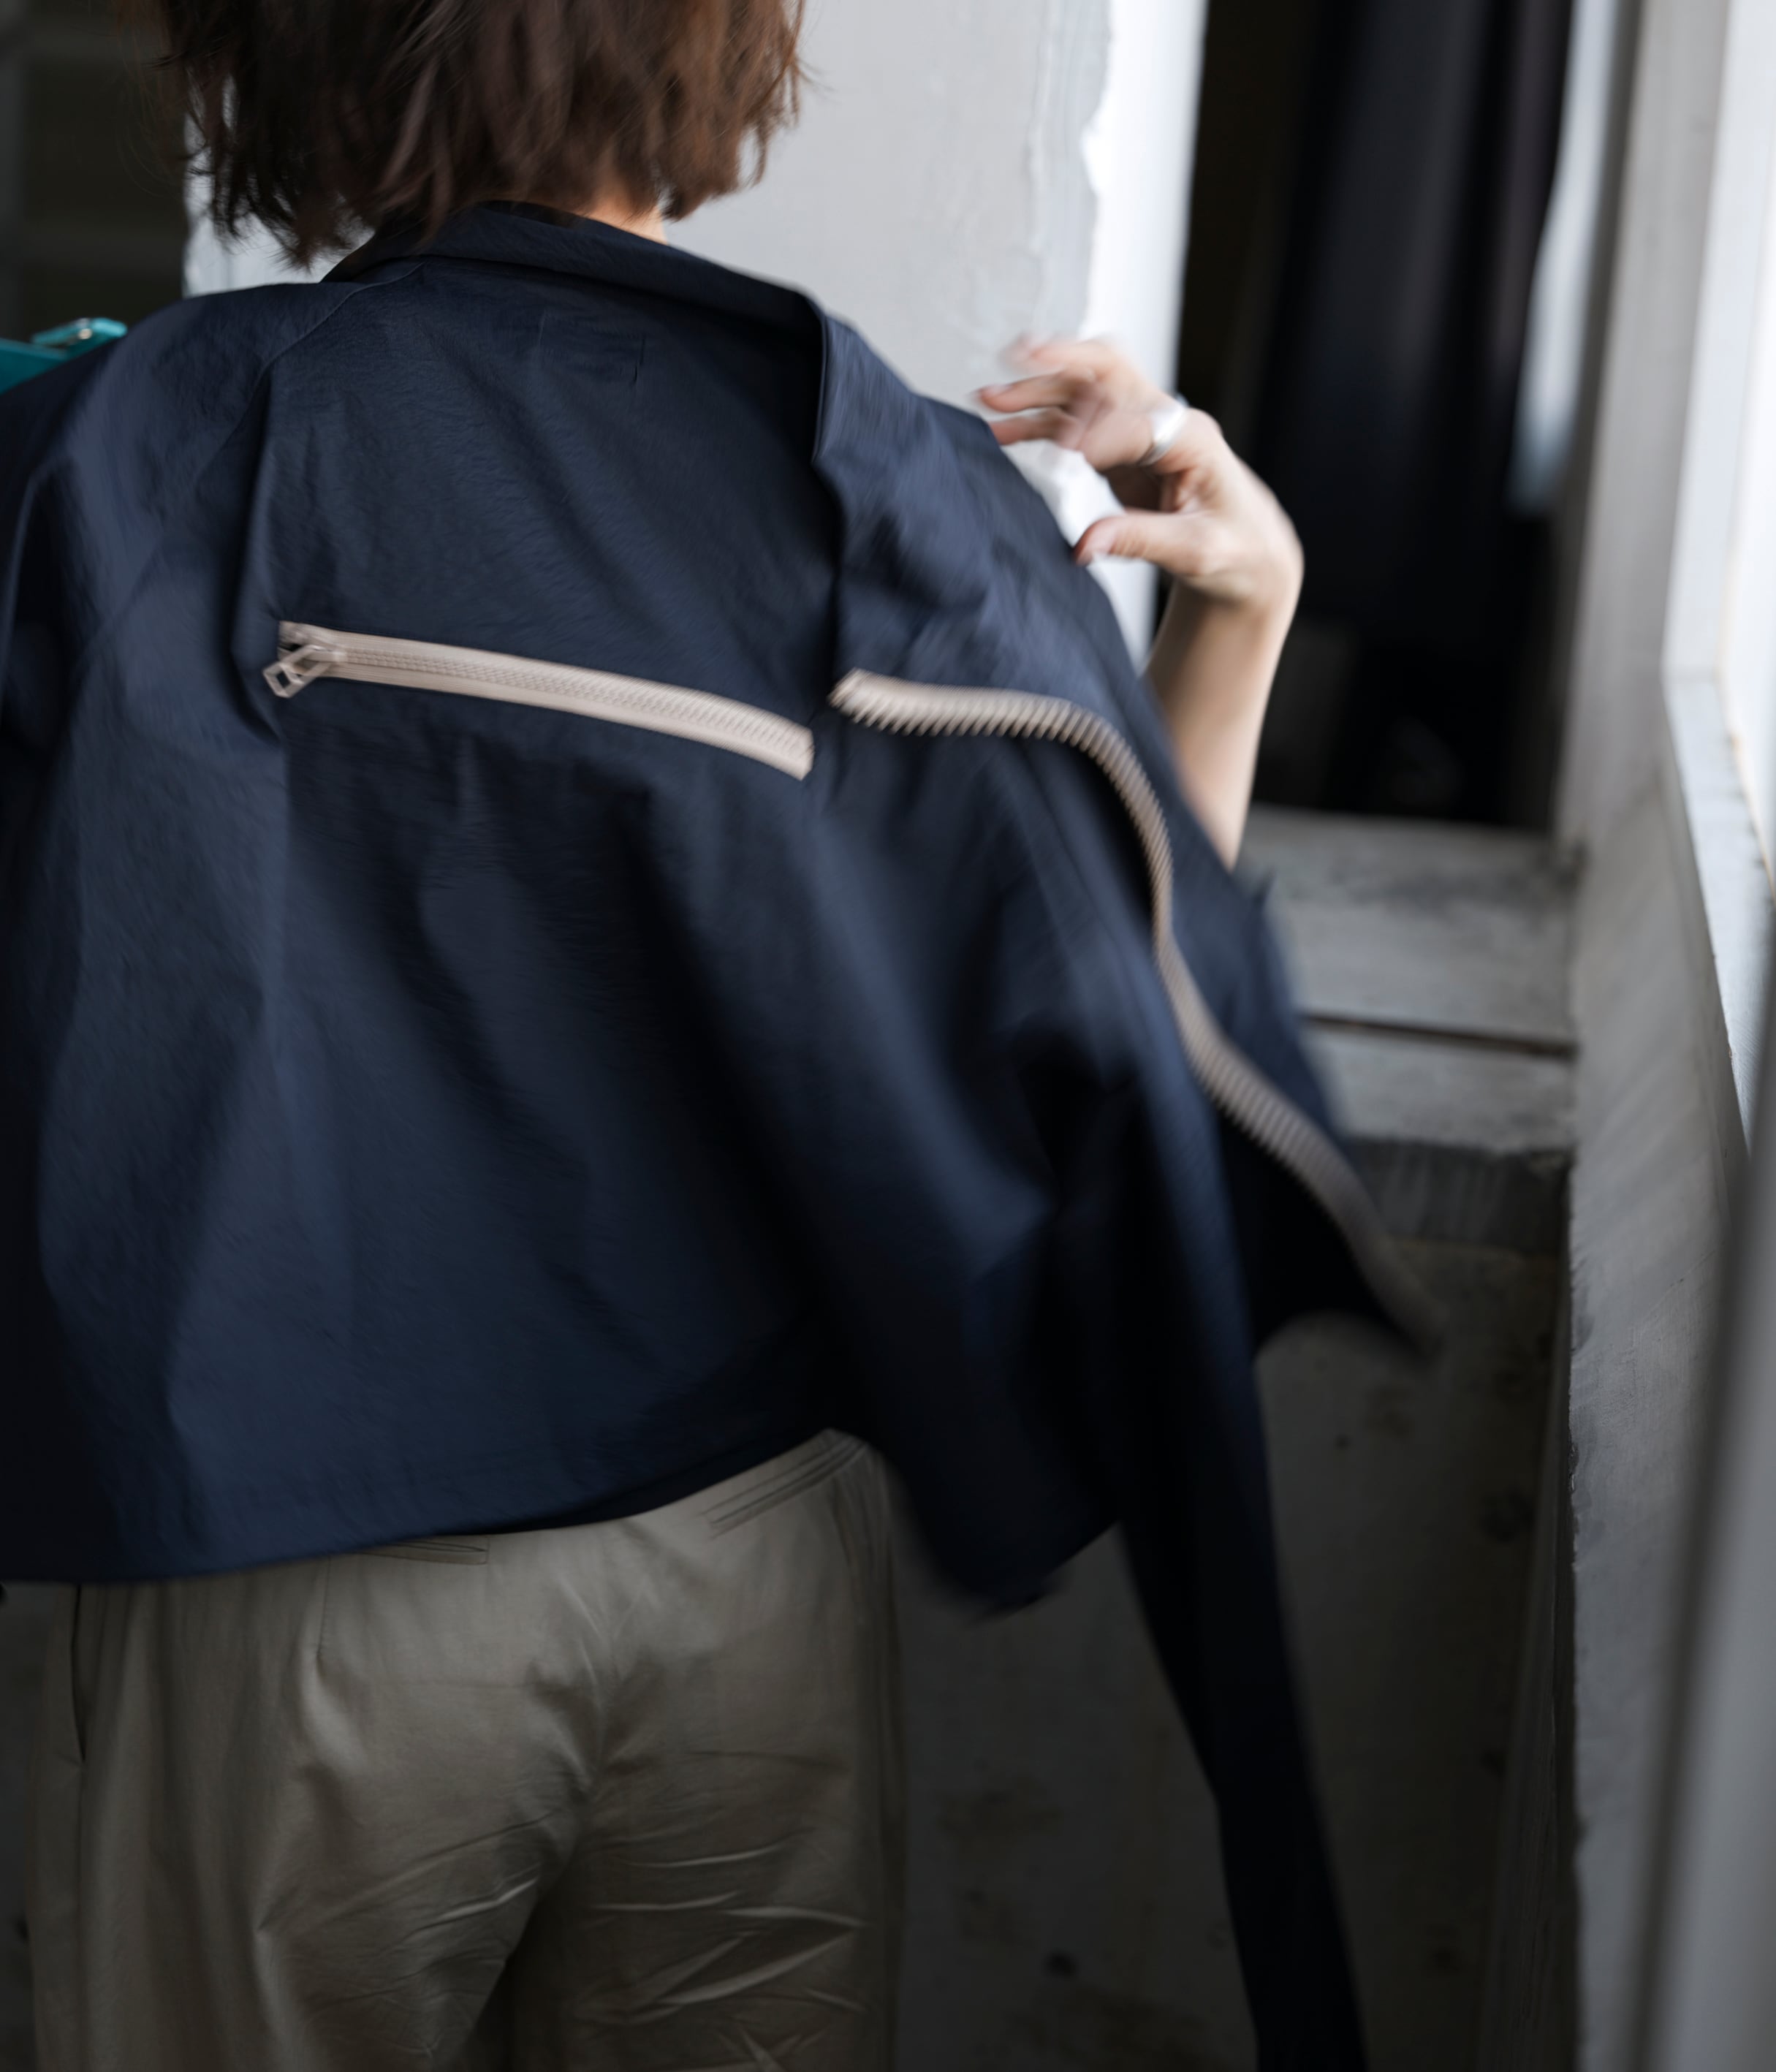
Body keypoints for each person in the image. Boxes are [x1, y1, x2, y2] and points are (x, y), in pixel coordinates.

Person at [0, 2, 1424, 2066]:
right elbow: (1125, 1060)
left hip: (292, 1588)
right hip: (748, 1584)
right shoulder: (894, 485)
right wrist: (1241, 614)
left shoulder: (123, 442)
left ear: (281, 56)